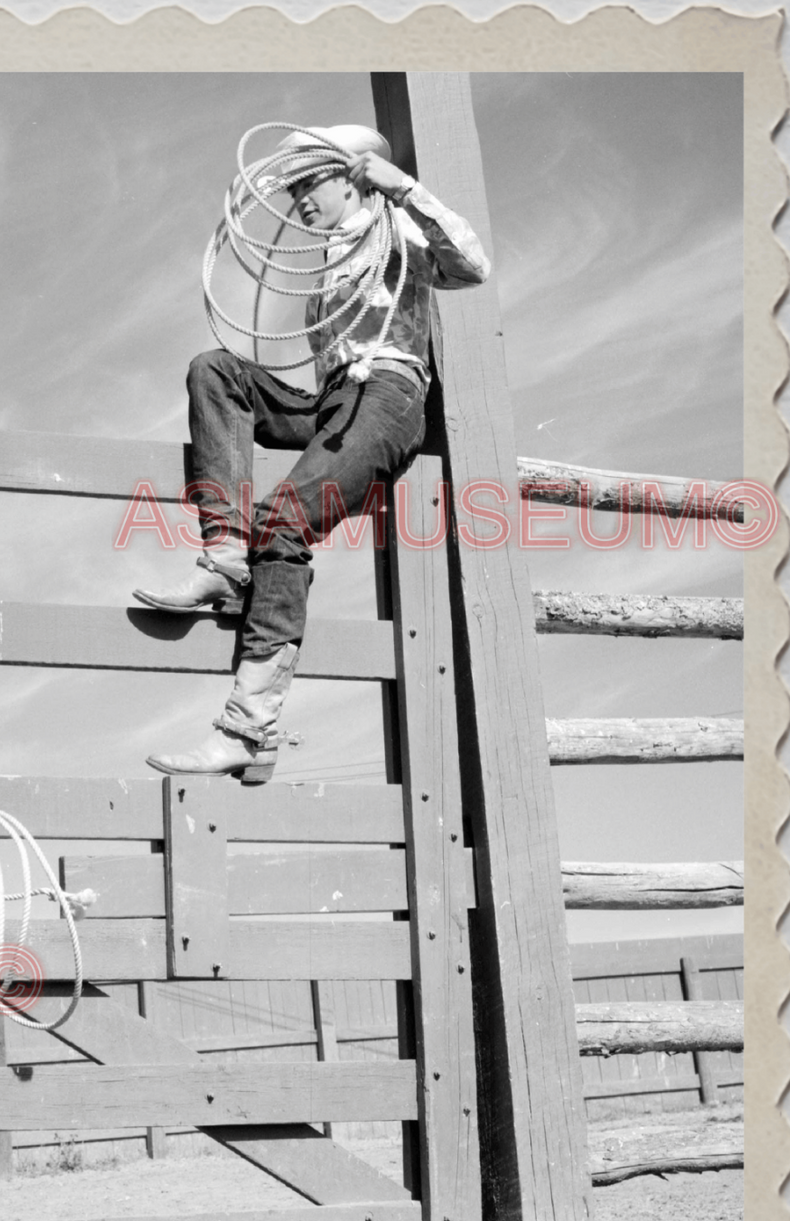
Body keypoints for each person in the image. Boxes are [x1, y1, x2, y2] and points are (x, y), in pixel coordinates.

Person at [136, 125, 490, 781]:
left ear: (350, 175)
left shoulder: (396, 231)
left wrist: (406, 192)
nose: (297, 198)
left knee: (284, 519)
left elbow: (470, 266)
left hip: (385, 396)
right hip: (333, 399)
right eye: (291, 187)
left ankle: (247, 727)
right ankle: (223, 555)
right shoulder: (323, 259)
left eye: (309, 182)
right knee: (215, 370)